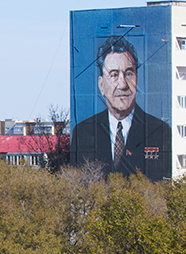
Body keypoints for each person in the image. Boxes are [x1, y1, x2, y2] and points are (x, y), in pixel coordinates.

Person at [70, 35, 172, 181]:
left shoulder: (159, 131)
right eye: (114, 75)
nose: (123, 84)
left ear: (137, 80)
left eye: (129, 73)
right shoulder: (83, 132)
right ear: (101, 85)